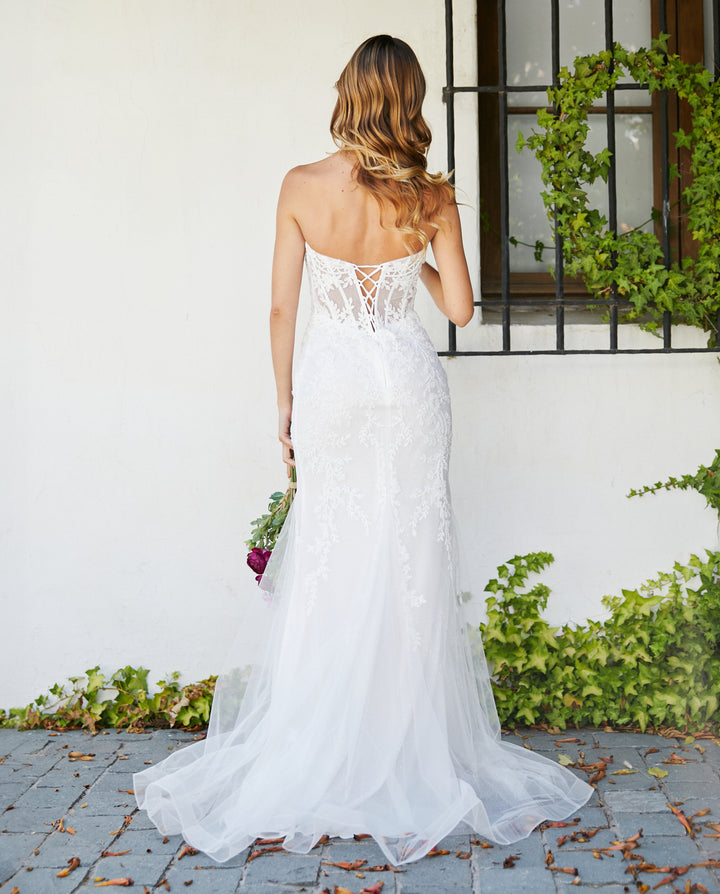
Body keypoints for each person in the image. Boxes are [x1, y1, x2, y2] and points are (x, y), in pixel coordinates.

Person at [134, 34, 592, 867]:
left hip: (337, 387)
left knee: (335, 559)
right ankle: (405, 749)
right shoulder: (433, 198)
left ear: (349, 92)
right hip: (409, 386)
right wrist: (411, 266)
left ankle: (326, 744)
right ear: (410, 100)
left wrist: (284, 405)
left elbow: (280, 312)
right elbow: (461, 310)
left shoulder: (301, 187)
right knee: (409, 556)